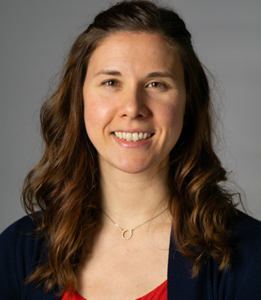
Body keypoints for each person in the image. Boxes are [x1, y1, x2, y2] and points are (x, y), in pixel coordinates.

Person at [0, 0, 261, 299]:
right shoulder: (17, 251)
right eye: (111, 82)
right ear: (79, 99)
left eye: (156, 84)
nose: (133, 108)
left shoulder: (249, 255)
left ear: (189, 103)